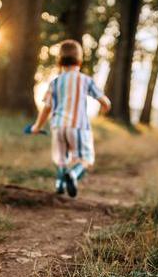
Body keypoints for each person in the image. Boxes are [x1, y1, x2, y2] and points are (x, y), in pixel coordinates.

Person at [30, 39, 111, 197]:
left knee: (61, 159)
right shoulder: (85, 80)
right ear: (80, 61)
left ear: (59, 62)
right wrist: (106, 107)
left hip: (58, 127)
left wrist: (37, 127)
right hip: (78, 127)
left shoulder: (54, 83)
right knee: (85, 159)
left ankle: (59, 183)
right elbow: (104, 101)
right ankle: (73, 175)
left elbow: (46, 108)